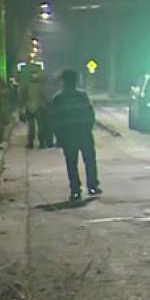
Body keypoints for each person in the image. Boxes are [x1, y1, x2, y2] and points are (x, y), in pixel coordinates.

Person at [50, 69, 100, 201]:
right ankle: (92, 185)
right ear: (76, 80)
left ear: (63, 81)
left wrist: (58, 136)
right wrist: (89, 127)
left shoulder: (58, 98)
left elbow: (54, 119)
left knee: (71, 163)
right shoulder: (82, 95)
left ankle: (75, 189)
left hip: (68, 135)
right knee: (89, 160)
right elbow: (90, 113)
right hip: (84, 133)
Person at [21, 68, 48, 148]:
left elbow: (22, 96)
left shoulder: (27, 85)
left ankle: (31, 142)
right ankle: (41, 142)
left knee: (32, 126)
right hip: (39, 107)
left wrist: (22, 107)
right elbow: (45, 96)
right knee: (40, 126)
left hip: (30, 107)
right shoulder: (42, 85)